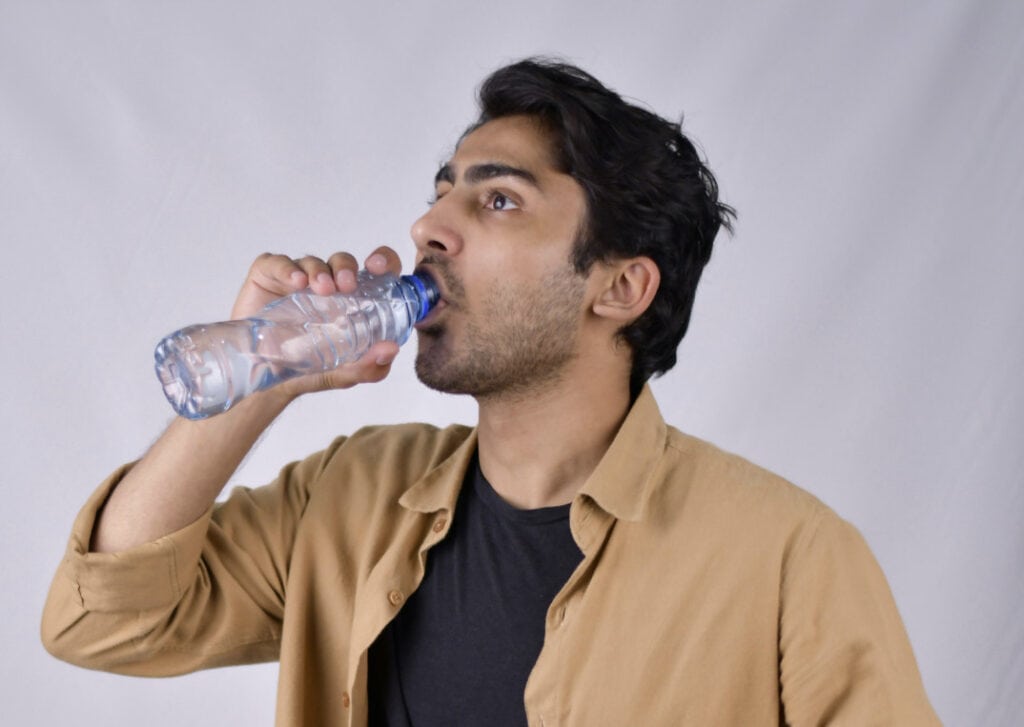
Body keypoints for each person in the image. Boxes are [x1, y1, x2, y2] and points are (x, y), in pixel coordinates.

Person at [42, 58, 940, 726]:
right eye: (440, 195)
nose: (430, 227)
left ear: (620, 286)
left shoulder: (789, 556)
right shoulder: (351, 495)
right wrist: (260, 378)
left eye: (499, 200)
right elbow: (104, 621)